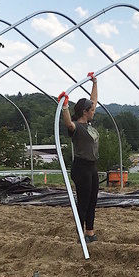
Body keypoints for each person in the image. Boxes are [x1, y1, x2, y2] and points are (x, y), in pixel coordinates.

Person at [61, 74, 100, 243]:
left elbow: (93, 101)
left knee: (92, 200)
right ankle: (80, 234)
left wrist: (95, 83)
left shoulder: (89, 124)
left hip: (92, 167)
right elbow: (68, 124)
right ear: (84, 112)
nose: (94, 111)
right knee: (83, 202)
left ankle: (90, 232)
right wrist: (64, 106)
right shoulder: (77, 126)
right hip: (81, 167)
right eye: (91, 110)